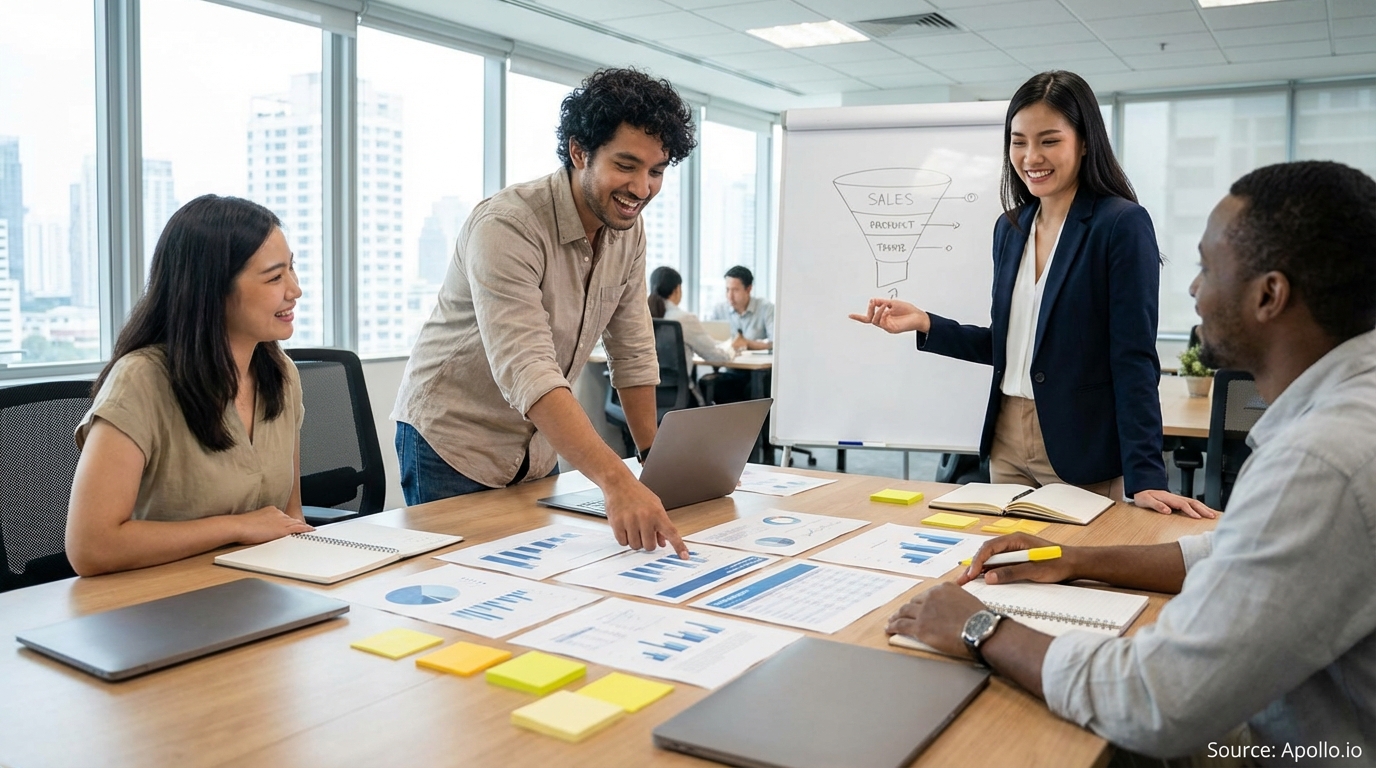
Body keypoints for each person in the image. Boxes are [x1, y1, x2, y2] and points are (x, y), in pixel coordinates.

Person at [888, 160, 1376, 759]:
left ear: (1268, 295)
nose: (1193, 290)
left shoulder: (1322, 461)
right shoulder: (1345, 415)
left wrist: (980, 627)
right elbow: (1237, 553)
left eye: (1206, 268)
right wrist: (1072, 559)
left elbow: (1159, 700)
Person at [850, 70, 1211, 518]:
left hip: (1081, 444)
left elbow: (1133, 357)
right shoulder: (1011, 227)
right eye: (1018, 141)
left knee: (1077, 560)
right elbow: (1011, 347)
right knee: (1007, 556)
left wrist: (1147, 475)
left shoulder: (1120, 224)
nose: (1031, 156)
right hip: (1007, 439)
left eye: (1049, 140)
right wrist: (926, 323)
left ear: (1084, 142)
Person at [392, 68, 696, 557]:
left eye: (656, 172)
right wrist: (617, 482)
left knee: (536, 580)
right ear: (579, 152)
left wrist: (653, 464)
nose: (642, 188)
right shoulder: (508, 225)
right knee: (464, 584)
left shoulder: (627, 231)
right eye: (626, 165)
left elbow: (634, 351)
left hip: (536, 445)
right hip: (455, 441)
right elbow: (528, 369)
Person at [66, 195, 311, 576]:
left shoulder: (281, 373)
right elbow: (91, 547)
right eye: (274, 277)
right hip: (162, 597)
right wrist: (236, 527)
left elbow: (289, 518)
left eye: (291, 268)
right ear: (212, 289)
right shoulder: (141, 380)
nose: (294, 290)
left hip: (259, 589)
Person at [647, 265, 735, 404]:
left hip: (646, 398)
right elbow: (717, 357)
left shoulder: (642, 317)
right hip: (678, 399)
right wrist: (732, 348)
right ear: (677, 289)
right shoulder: (684, 319)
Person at [706, 265, 774, 404]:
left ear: (748, 289)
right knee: (710, 384)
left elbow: (775, 343)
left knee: (755, 387)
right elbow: (710, 340)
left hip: (758, 373)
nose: (730, 296)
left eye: (735, 290)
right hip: (731, 369)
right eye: (727, 290)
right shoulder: (719, 310)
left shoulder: (766, 308)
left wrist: (747, 343)